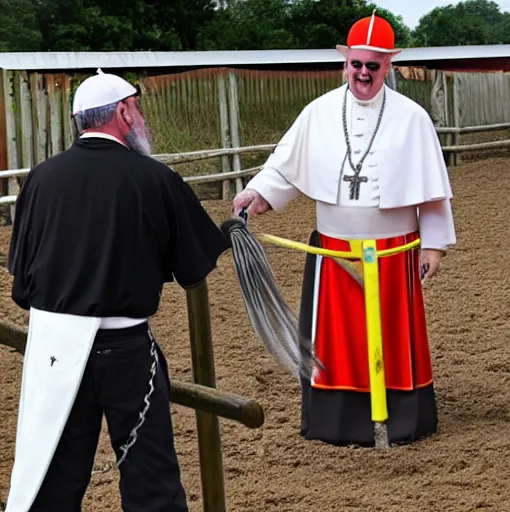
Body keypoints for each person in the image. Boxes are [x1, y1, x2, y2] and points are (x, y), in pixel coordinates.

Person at [5, 69, 229, 511]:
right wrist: (232, 227)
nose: (140, 116)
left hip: (53, 348)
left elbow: (22, 282)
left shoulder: (40, 180)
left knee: (52, 473)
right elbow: (193, 266)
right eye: (137, 107)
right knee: (150, 479)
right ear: (123, 112)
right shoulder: (155, 178)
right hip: (125, 348)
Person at [233, 13, 456, 447]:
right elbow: (285, 166)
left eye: (373, 66)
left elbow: (431, 191)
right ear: (345, 63)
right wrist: (257, 194)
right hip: (334, 254)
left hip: (392, 254)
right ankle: (337, 422)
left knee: (390, 339)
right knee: (337, 343)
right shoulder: (318, 113)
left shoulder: (413, 118)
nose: (363, 74)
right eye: (356, 64)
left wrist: (433, 246)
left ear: (388, 66)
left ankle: (403, 419)